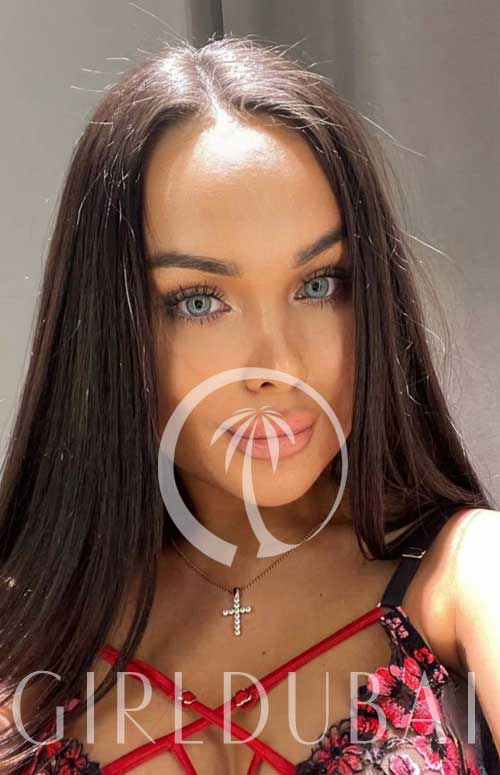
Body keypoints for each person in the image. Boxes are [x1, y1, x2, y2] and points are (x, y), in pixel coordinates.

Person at [0, 34, 498, 775]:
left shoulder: (468, 577)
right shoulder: (24, 629)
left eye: (320, 285)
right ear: (109, 328)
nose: (282, 367)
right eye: (200, 301)